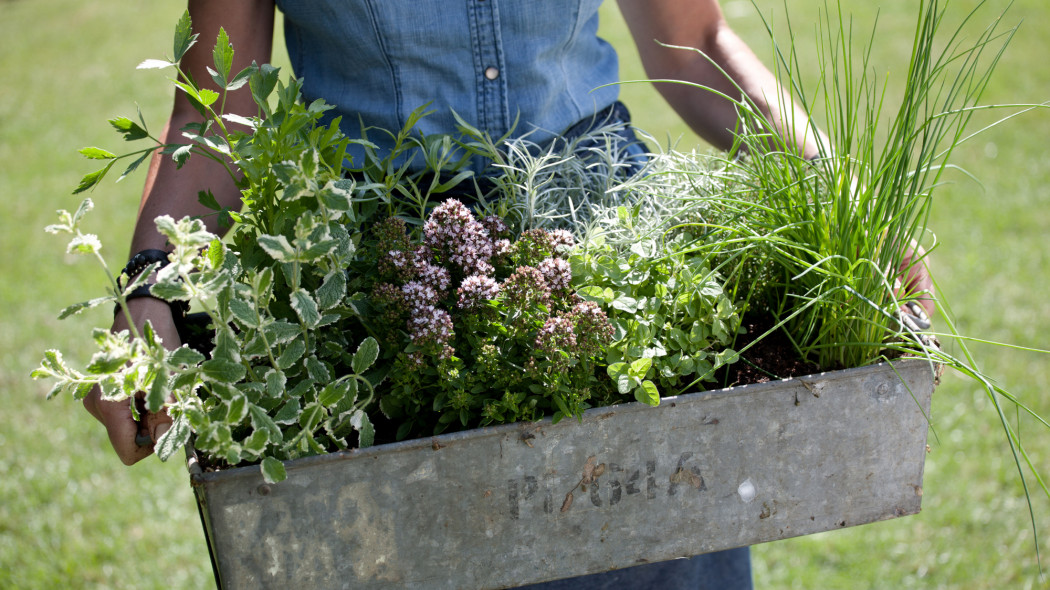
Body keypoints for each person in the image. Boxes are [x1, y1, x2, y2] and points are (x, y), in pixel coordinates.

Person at [83, 1, 925, 588]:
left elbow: (692, 40)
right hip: (382, 279)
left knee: (658, 558)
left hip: (608, 255)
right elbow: (217, 115)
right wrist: (151, 288)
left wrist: (841, 198)